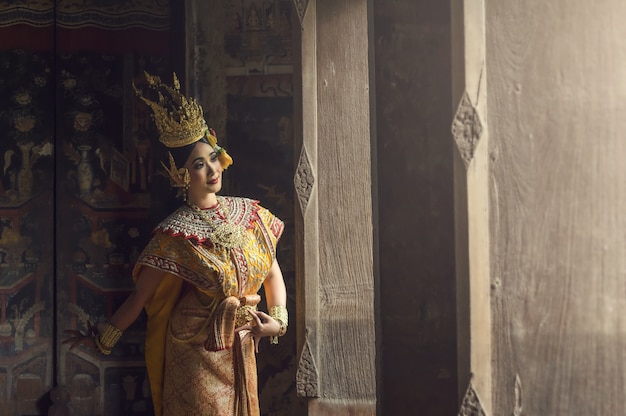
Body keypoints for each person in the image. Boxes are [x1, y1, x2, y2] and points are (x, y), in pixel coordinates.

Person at [64, 72, 288, 416]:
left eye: (213, 157)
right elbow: (139, 299)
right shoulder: (175, 234)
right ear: (180, 175)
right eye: (199, 164)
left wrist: (277, 322)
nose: (212, 168)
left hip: (240, 345)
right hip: (195, 349)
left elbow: (271, 272)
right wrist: (100, 340)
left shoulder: (250, 213)